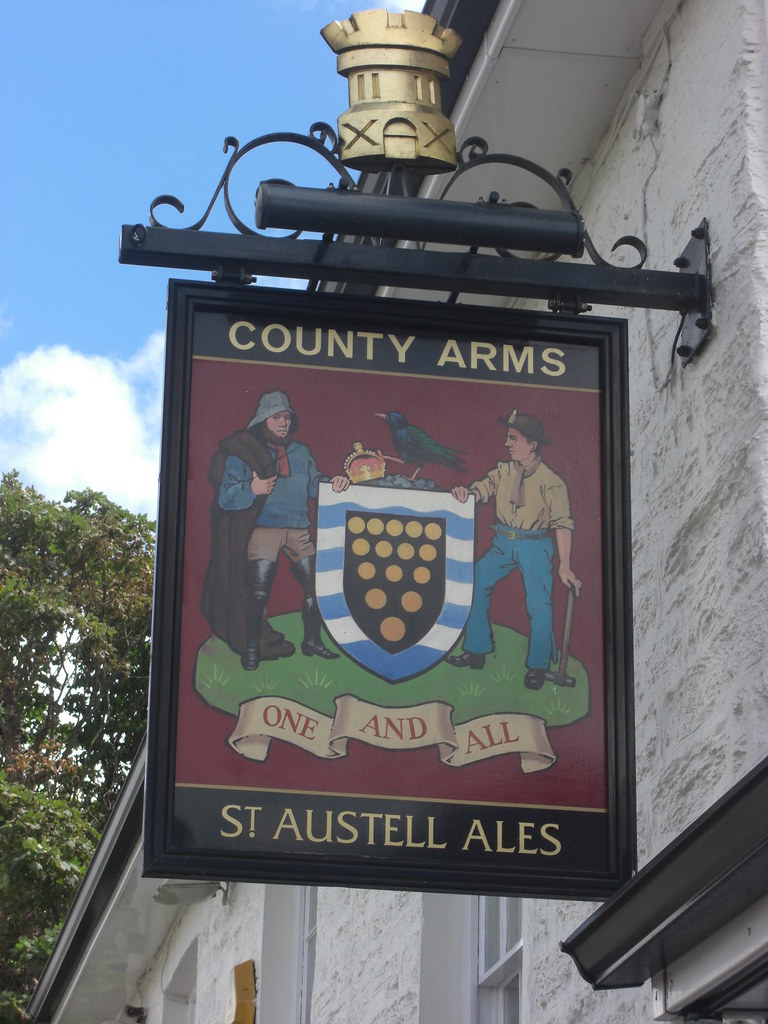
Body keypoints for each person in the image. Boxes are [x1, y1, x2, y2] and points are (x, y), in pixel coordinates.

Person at [201, 390, 349, 671]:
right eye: (276, 417)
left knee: (315, 586)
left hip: (298, 528)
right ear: (262, 421)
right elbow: (226, 497)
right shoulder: (243, 452)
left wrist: (335, 483)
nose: (283, 423)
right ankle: (252, 647)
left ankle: (312, 640)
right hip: (263, 530)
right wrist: (251, 488)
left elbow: (314, 484)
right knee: (257, 591)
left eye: (286, 417)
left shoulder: (301, 452)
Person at [448, 410, 581, 689]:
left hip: (535, 545)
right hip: (503, 542)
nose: (507, 444)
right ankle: (476, 651)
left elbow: (562, 525)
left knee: (539, 605)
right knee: (477, 581)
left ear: (532, 444)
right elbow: (483, 489)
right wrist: (467, 494)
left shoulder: (552, 482)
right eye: (508, 438)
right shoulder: (504, 471)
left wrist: (565, 565)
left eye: (513, 439)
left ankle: (538, 666)